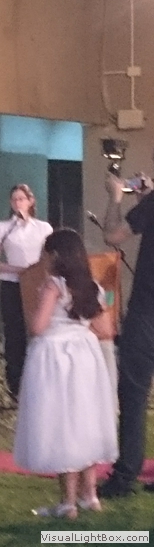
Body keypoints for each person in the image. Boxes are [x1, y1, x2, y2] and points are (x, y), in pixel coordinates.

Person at [13, 229, 117, 520]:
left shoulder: (53, 285)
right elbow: (106, 330)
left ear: (56, 256)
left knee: (61, 424)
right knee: (84, 422)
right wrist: (80, 326)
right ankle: (90, 496)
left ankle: (67, 503)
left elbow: (38, 326)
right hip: (85, 357)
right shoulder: (92, 288)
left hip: (55, 358)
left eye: (45, 254)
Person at [98, 159, 154, 499]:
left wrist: (116, 197)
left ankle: (125, 476)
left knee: (133, 395)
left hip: (147, 312)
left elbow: (112, 235)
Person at [0, 183, 53, 401]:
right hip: (12, 284)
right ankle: (15, 387)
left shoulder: (43, 228)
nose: (18, 203)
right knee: (14, 334)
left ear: (30, 201)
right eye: (14, 200)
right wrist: (18, 270)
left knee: (39, 331)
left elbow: (49, 258)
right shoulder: (2, 227)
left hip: (36, 284)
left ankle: (40, 383)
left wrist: (33, 272)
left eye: (21, 199)